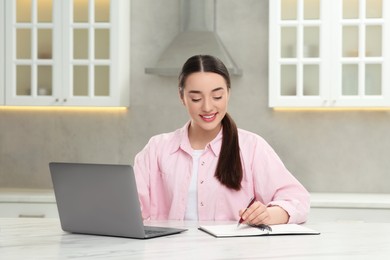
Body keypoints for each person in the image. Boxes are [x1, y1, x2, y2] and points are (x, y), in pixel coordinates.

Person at [134, 54, 310, 225]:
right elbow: (132, 207)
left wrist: (268, 215)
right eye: (196, 98)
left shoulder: (252, 147)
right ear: (182, 97)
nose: (208, 107)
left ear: (228, 93)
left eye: (217, 96)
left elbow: (297, 201)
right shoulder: (157, 149)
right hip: (168, 253)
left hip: (232, 253)